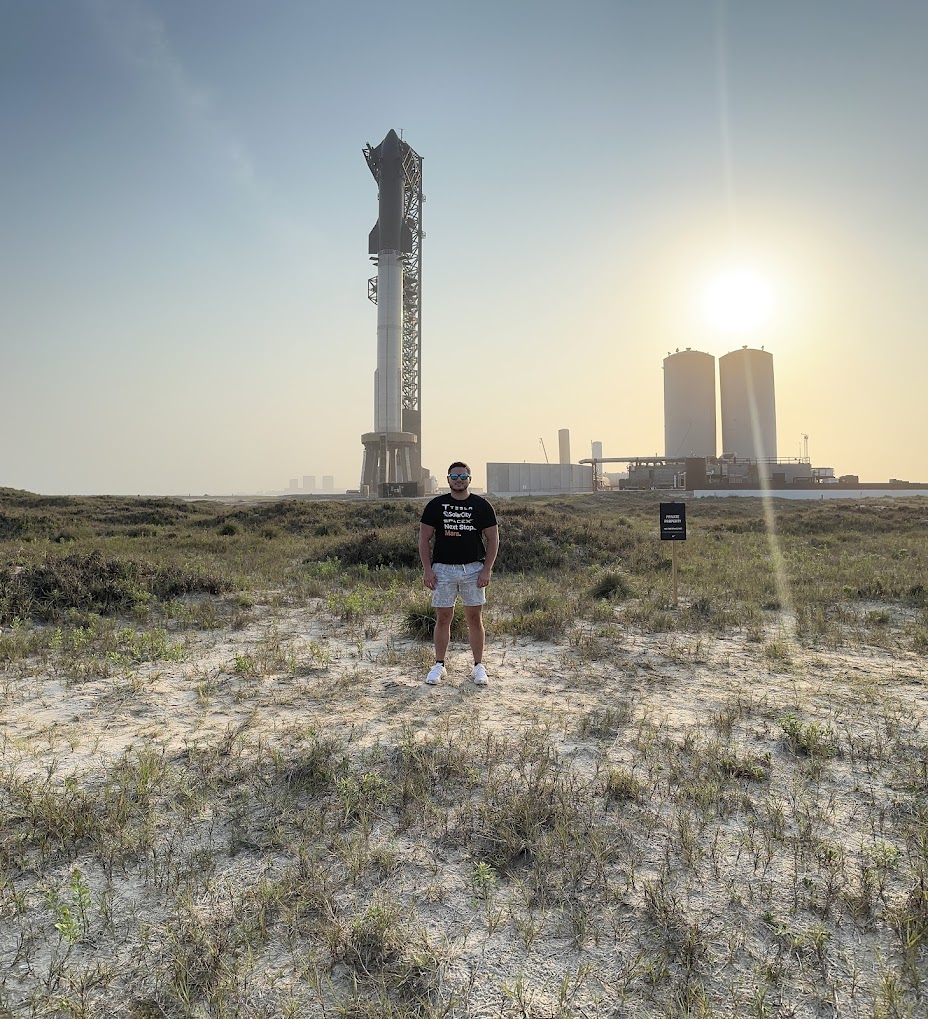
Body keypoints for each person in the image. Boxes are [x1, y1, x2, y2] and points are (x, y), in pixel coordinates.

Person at [418, 461, 499, 686]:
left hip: (473, 569)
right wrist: (427, 569)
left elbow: (493, 539)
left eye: (463, 477)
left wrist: (486, 569)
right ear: (448, 479)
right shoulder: (436, 505)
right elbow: (424, 539)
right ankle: (439, 665)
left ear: (469, 479)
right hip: (443, 569)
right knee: (443, 617)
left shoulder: (482, 505)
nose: (459, 480)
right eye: (454, 477)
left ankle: (478, 666)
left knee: (474, 618)